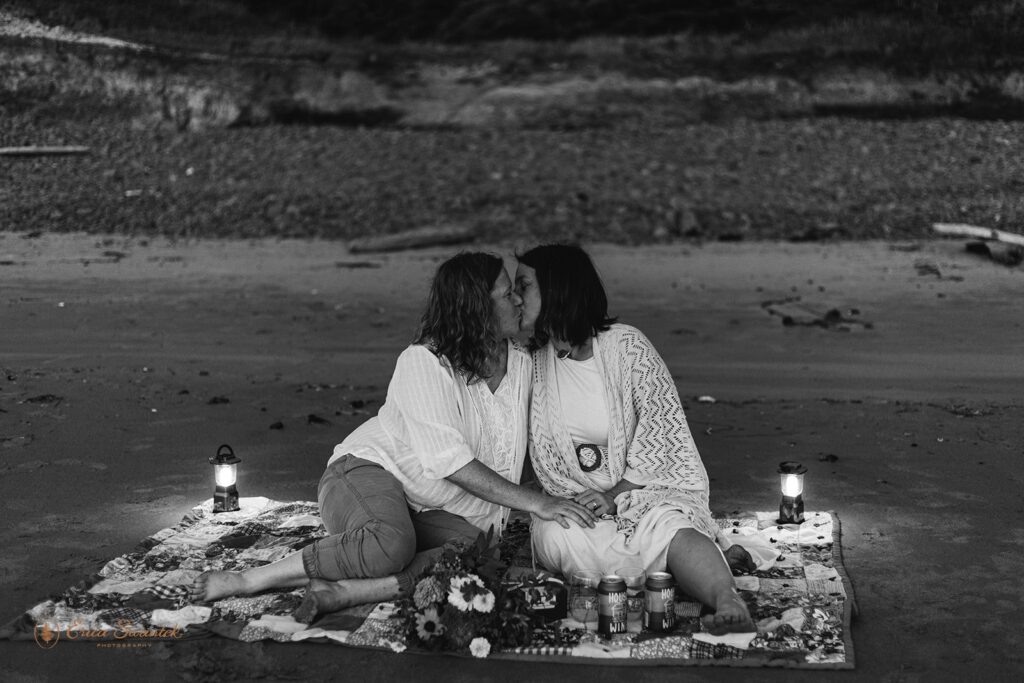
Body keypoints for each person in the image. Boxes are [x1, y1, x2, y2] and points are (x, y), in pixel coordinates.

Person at [190, 252, 598, 621]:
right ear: (479, 308)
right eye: (507, 294)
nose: (518, 302)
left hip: (433, 507)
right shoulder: (423, 363)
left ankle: (350, 592)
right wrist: (538, 503)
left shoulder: (524, 363)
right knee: (391, 544)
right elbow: (449, 463)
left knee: (477, 558)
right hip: (364, 472)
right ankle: (249, 580)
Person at [514, 244, 756, 635]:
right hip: (579, 502)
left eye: (523, 286)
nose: (514, 297)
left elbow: (664, 434)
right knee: (554, 533)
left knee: (669, 525)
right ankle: (673, 569)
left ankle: (727, 599)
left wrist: (615, 495)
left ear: (557, 290)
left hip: (642, 493)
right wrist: (567, 502)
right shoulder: (531, 360)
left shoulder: (627, 348)